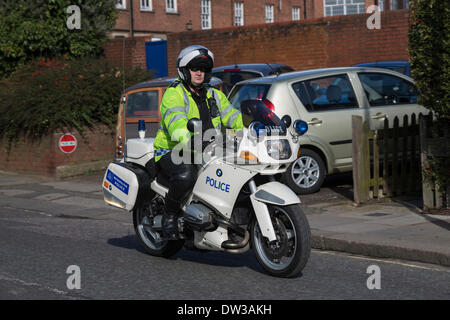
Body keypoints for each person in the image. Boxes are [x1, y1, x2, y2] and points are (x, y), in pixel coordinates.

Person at [153, 45, 244, 240]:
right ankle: (170, 216)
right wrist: (188, 139)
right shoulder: (175, 93)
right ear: (185, 70)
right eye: (195, 68)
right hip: (173, 149)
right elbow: (175, 119)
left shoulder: (214, 95)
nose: (199, 73)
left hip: (209, 149)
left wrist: (252, 123)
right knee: (186, 175)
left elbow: (232, 116)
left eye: (203, 69)